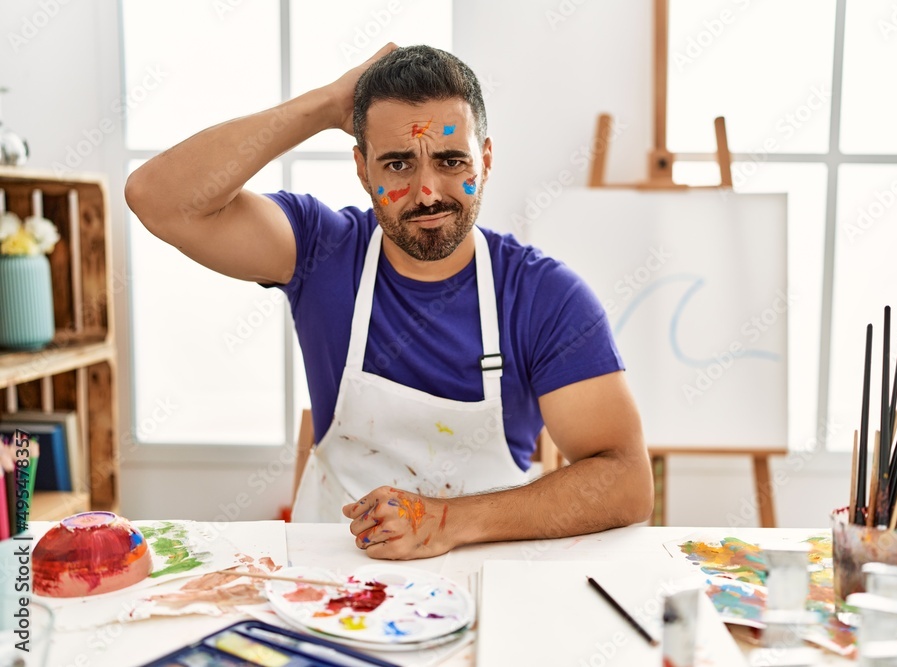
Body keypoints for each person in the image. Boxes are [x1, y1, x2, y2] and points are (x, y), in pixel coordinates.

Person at [125, 43, 653, 560]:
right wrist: (328, 104)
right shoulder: (319, 251)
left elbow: (626, 481)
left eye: (450, 160)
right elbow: (159, 199)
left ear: (485, 161)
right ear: (362, 168)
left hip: (485, 588)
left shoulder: (545, 297)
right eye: (398, 165)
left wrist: (444, 522)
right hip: (327, 586)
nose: (427, 192)